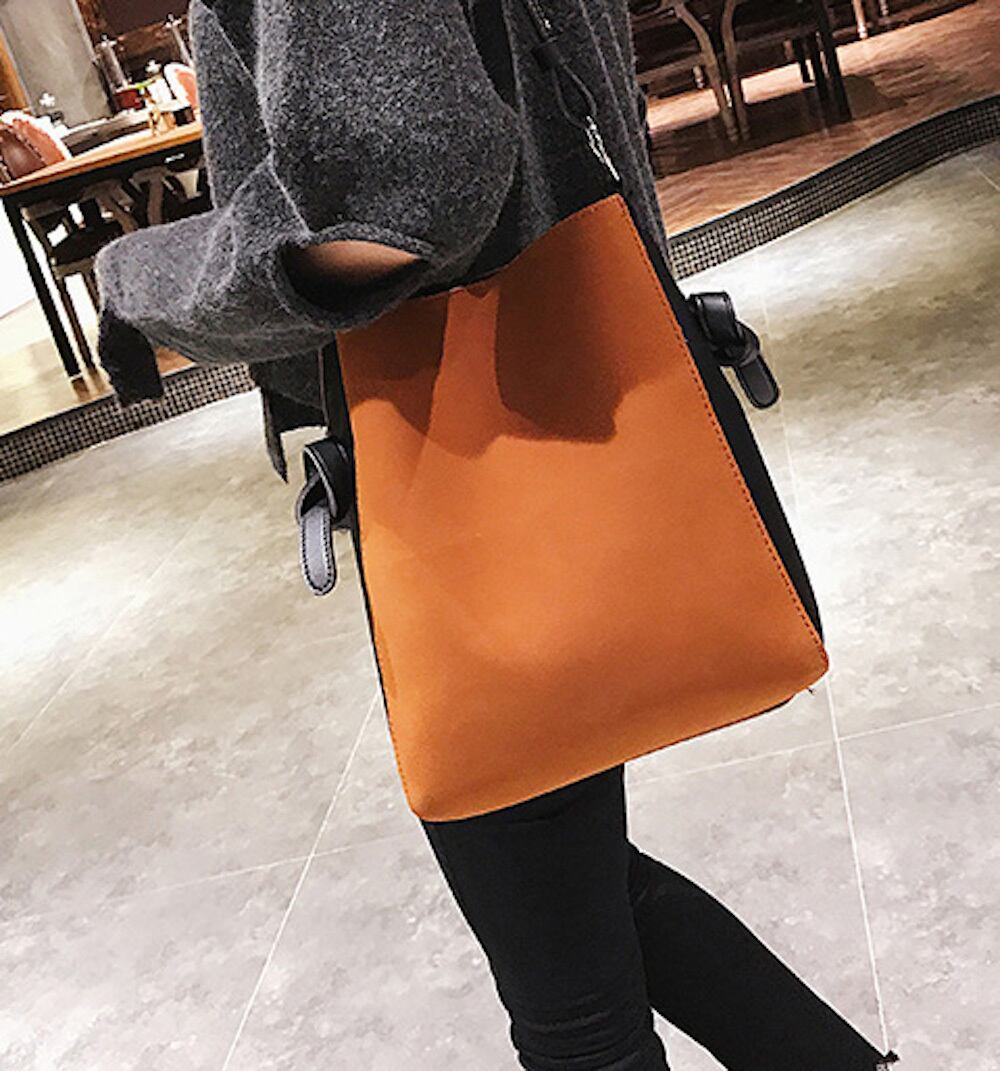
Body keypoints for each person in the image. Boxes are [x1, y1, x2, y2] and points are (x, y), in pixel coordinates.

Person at [96, 2, 901, 1068]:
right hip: (556, 392)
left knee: (573, 1005)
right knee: (580, 898)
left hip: (466, 450)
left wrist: (145, 283)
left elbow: (403, 196)